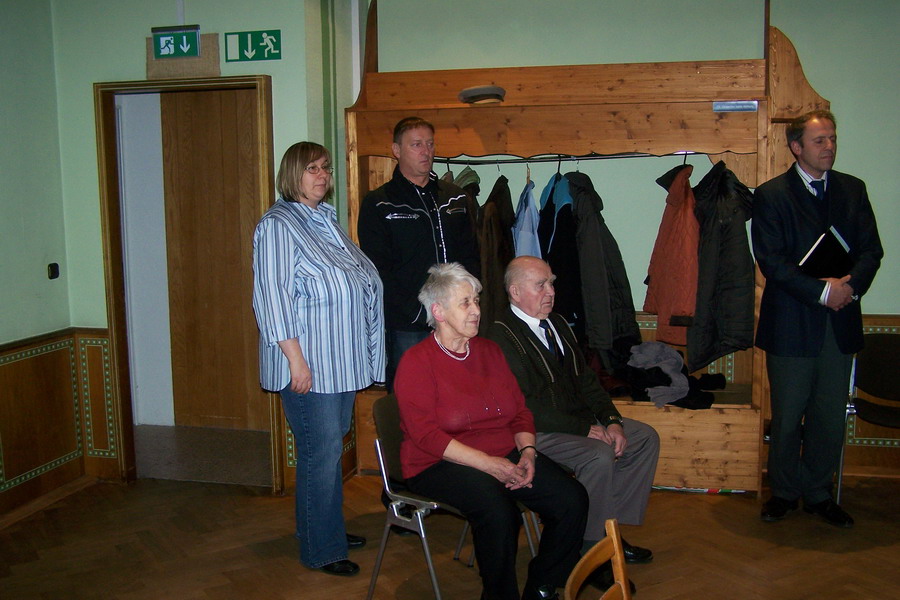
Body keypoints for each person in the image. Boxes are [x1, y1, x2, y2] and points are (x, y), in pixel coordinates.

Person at [395, 263, 588, 600]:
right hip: (437, 463)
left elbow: (519, 413)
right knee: (500, 513)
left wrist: (528, 452)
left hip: (504, 453)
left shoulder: (489, 351)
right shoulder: (416, 362)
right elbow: (426, 436)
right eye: (465, 303)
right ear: (438, 311)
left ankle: (542, 586)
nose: (476, 311)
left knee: (572, 499)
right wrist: (490, 465)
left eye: (477, 302)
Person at [252, 142, 385, 576]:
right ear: (292, 173)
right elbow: (271, 298)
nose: (322, 175)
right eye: (312, 168)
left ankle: (322, 526)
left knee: (329, 450)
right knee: (319, 455)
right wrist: (296, 361)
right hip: (309, 366)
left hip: (340, 363)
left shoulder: (323, 220)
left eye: (326, 167)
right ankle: (320, 548)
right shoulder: (278, 225)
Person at [488, 256, 659, 572]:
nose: (550, 291)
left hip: (575, 423)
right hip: (532, 431)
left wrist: (612, 421)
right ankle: (588, 549)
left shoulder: (559, 325)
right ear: (515, 291)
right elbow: (524, 406)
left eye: (551, 282)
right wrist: (584, 428)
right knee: (598, 455)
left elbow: (588, 382)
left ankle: (609, 532)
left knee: (644, 438)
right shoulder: (500, 336)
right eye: (541, 285)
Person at [752, 110, 882, 527]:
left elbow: (871, 251)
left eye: (832, 139)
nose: (829, 147)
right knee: (788, 417)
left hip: (839, 324)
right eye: (819, 141)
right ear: (796, 147)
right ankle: (785, 492)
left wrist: (848, 287)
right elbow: (771, 261)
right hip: (791, 324)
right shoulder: (771, 194)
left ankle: (819, 492)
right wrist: (823, 290)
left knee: (829, 415)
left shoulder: (852, 190)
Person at [358, 117, 480, 392]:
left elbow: (472, 257)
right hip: (408, 325)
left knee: (458, 393)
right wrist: (417, 312)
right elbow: (378, 270)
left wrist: (468, 305)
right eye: (416, 145)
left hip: (455, 320)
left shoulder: (456, 198)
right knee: (410, 396)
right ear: (396, 151)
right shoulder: (379, 202)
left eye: (429, 144)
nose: (426, 151)